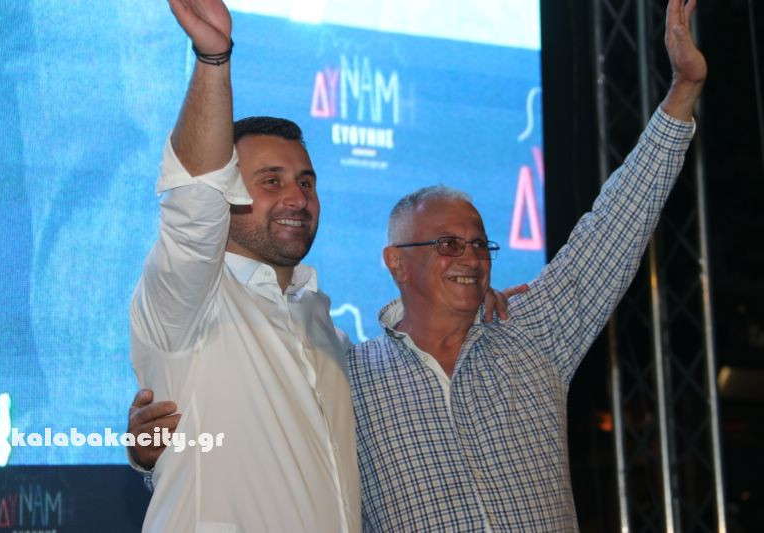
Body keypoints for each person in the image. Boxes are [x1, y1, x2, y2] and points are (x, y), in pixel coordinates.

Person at [132, 0, 705, 529]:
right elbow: (193, 207)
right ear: (395, 263)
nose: (469, 257)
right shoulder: (357, 372)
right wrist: (213, 60)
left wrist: (682, 93)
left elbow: (611, 233)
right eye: (446, 245)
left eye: (479, 244)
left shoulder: (339, 341)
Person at [129, 1, 511, 531]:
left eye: (305, 182)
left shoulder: (327, 332)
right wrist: (213, 60)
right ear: (229, 195)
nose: (297, 196)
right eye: (271, 181)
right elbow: (193, 201)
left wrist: (465, 296)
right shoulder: (187, 299)